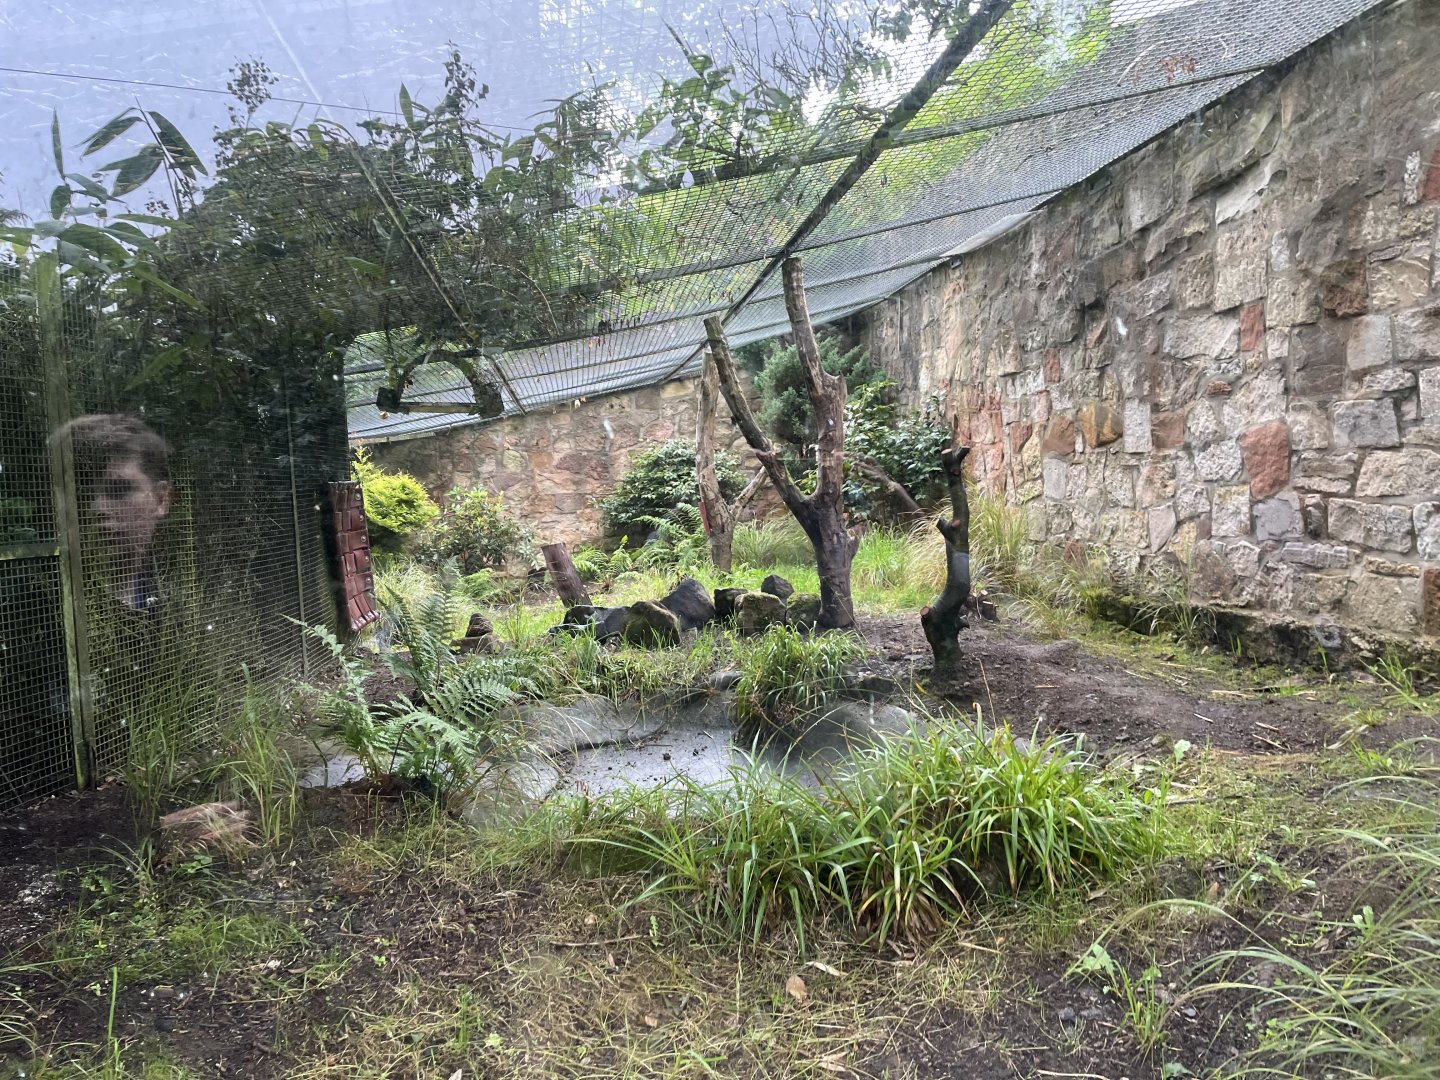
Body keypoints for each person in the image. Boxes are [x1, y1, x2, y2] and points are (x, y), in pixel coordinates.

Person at [51, 414, 173, 613]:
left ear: (161, 500)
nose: (97, 508)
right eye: (83, 493)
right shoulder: (47, 602)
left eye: (120, 489)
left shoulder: (174, 592)